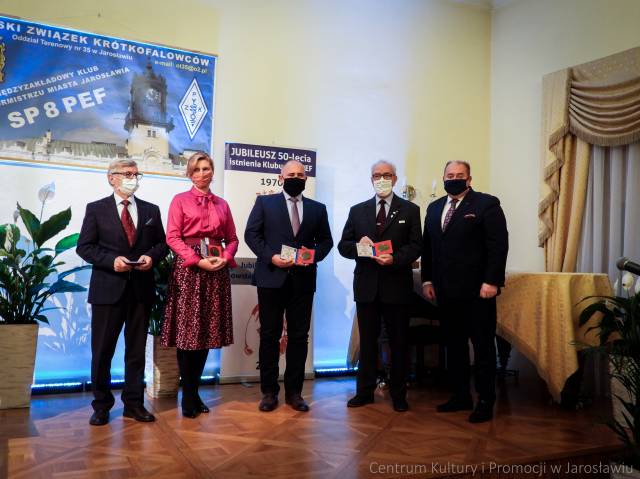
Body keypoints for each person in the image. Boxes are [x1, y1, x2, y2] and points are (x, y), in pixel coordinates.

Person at [77, 159, 168, 426]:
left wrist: (151, 258)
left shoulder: (152, 209)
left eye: (136, 174)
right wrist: (111, 261)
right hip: (108, 290)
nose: (133, 178)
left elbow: (162, 244)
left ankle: (134, 404)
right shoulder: (96, 209)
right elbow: (85, 247)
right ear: (111, 178)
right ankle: (102, 405)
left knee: (136, 351)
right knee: (103, 351)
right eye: (127, 174)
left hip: (141, 290)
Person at [422, 160, 508, 423]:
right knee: (454, 347)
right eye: (450, 175)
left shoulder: (486, 204)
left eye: (460, 175)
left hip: (477, 292)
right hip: (445, 292)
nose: (454, 179)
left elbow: (498, 245)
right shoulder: (435, 207)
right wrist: (427, 281)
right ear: (443, 177)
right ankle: (460, 396)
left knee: (482, 348)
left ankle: (484, 401)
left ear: (469, 179)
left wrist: (492, 281)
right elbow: (429, 248)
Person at [244, 159, 333, 412]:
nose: (296, 177)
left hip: (303, 281)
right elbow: (251, 234)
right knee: (270, 336)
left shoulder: (318, 209)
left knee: (298, 337)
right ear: (281, 177)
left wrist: (313, 254)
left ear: (306, 179)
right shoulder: (265, 203)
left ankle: (294, 392)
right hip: (271, 278)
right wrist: (271, 256)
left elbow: (326, 241)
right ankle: (269, 392)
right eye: (290, 173)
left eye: (300, 174)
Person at [338, 160, 422, 412]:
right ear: (371, 179)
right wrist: (360, 248)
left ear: (395, 179)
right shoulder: (358, 210)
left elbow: (416, 246)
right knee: (367, 343)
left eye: (387, 175)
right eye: (377, 175)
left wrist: (395, 259)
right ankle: (364, 392)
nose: (381, 178)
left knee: (398, 342)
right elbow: (344, 245)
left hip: (397, 286)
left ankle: (398, 394)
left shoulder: (410, 210)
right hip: (367, 286)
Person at [161, 151, 238, 418]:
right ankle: (188, 397)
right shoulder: (179, 201)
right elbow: (172, 238)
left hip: (216, 273)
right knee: (187, 335)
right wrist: (197, 260)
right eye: (197, 169)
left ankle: (194, 393)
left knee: (206, 333)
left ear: (213, 172)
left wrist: (225, 259)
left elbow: (233, 239)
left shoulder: (223, 204)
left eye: (207, 169)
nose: (203, 173)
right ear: (190, 173)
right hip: (189, 273)